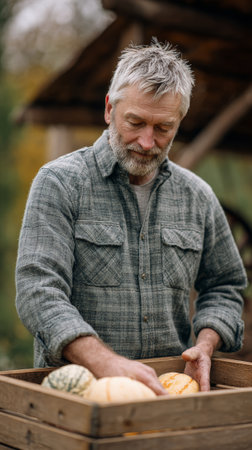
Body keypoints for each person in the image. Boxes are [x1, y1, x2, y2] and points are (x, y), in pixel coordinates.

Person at [15, 40, 247, 395]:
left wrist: (206, 342)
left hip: (169, 396)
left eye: (163, 128)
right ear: (110, 109)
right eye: (135, 122)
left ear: (180, 122)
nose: (146, 141)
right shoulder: (60, 183)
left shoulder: (197, 196)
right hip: (78, 396)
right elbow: (38, 291)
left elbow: (225, 285)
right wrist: (105, 362)